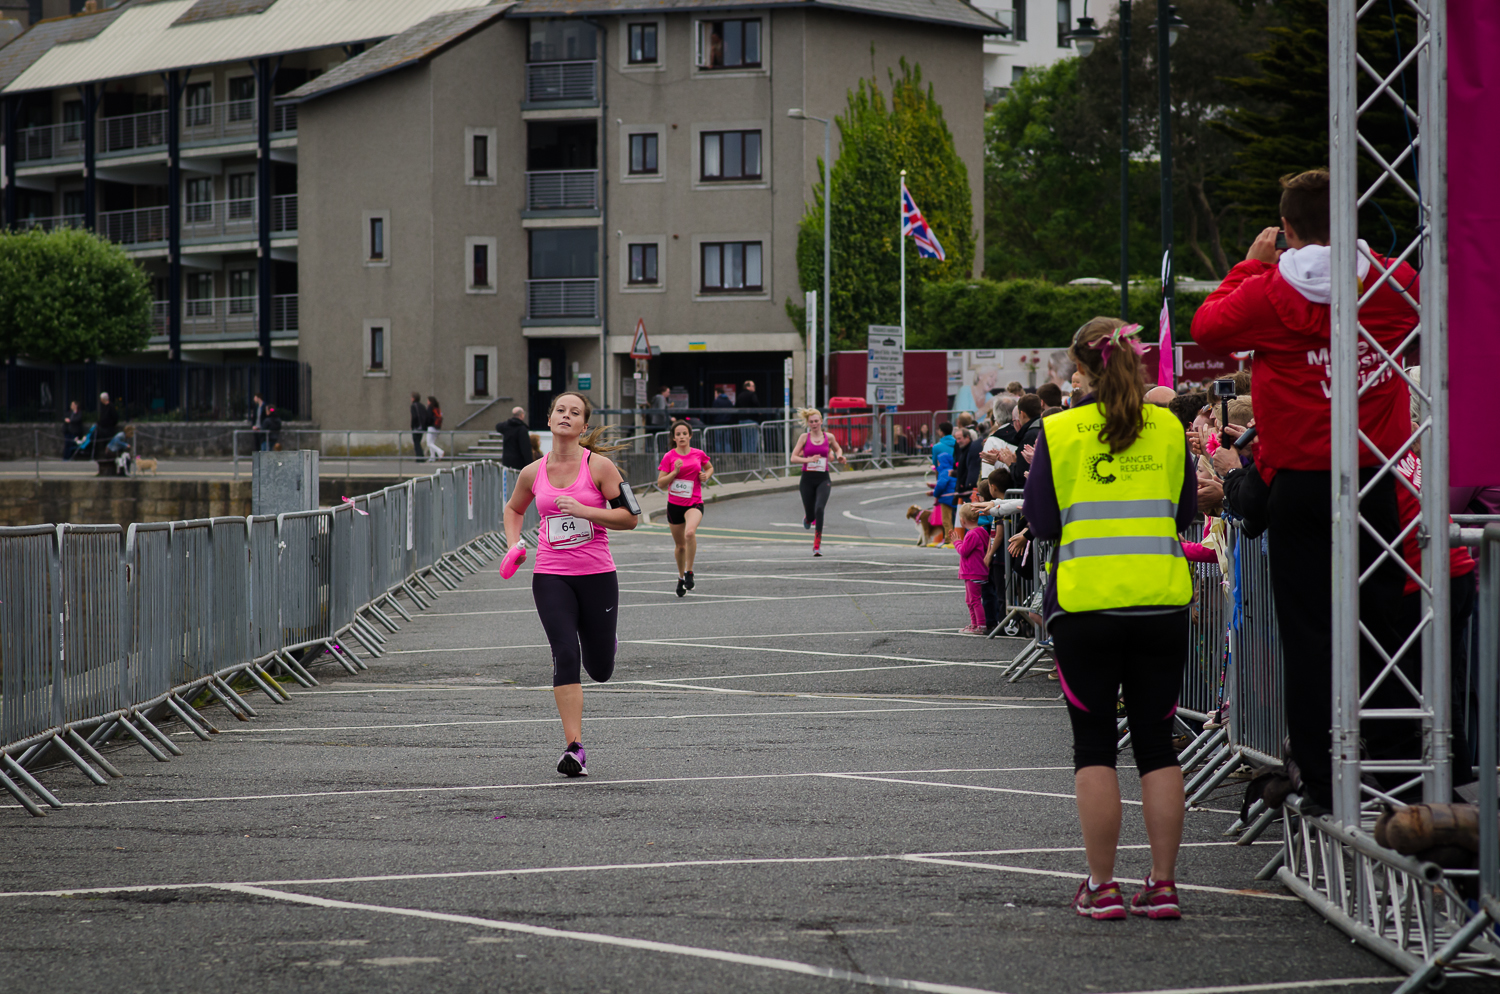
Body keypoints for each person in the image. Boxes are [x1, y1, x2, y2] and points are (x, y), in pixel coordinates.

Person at [1192, 168, 1418, 814]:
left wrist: (1249, 266)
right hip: (1374, 482)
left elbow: (1208, 328)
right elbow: (1442, 307)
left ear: (1287, 229)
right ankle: (1397, 770)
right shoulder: (1392, 283)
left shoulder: (1267, 290)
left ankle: (1320, 782)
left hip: (1296, 487)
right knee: (1387, 630)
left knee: (1308, 638)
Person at [1023, 317, 1197, 921]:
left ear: (1082, 369)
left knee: (1093, 745)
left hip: (1086, 604)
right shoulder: (1170, 427)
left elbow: (1043, 524)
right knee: (1156, 743)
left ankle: (1102, 887)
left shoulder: (1060, 429)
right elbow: (1181, 513)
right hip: (1160, 601)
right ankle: (1165, 883)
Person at [501, 391, 639, 777]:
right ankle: (574, 747)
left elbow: (630, 517)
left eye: (574, 412)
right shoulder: (533, 471)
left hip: (597, 575)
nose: (566, 415)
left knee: (600, 669)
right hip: (550, 574)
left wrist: (586, 511)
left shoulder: (601, 467)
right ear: (549, 421)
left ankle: (604, 642)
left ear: (583, 426)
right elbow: (514, 509)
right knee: (565, 654)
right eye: (560, 410)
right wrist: (514, 544)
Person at [657, 419, 714, 597]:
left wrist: (706, 476)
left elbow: (710, 467)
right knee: (680, 546)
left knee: (690, 533)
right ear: (674, 438)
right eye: (678, 434)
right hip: (674, 505)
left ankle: (689, 572)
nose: (681, 437)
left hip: (694, 502)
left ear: (690, 436)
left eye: (684, 433)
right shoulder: (669, 457)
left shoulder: (698, 454)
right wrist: (674, 472)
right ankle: (681, 577)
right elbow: (660, 483)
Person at [791, 407, 845, 556]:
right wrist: (808, 459)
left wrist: (839, 456)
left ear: (821, 421)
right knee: (811, 514)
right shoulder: (804, 437)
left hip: (823, 479)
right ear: (808, 423)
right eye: (811, 422)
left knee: (820, 509)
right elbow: (793, 458)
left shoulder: (829, 437)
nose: (814, 424)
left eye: (816, 421)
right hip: (807, 479)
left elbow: (838, 449)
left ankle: (816, 545)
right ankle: (808, 518)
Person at [954, 503, 991, 634]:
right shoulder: (982, 531)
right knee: (970, 600)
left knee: (974, 600)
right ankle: (974, 624)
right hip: (978, 572)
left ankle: (980, 625)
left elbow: (964, 551)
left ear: (962, 520)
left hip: (973, 572)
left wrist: (957, 542)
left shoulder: (971, 534)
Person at [735, 379, 763, 453]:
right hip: (751, 420)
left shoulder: (740, 395)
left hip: (742, 420)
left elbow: (736, 406)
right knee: (752, 439)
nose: (754, 388)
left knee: (744, 439)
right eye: (753, 386)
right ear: (748, 387)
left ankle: (745, 454)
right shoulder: (752, 395)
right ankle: (752, 454)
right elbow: (756, 404)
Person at [94, 392, 119, 461]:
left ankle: (109, 457)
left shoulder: (110, 407)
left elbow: (115, 417)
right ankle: (105, 456)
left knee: (109, 443)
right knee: (103, 443)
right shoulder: (104, 407)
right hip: (103, 428)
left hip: (109, 429)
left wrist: (111, 424)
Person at [409, 392, 429, 461]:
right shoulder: (422, 406)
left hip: (416, 427)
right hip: (422, 427)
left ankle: (419, 457)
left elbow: (414, 417)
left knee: (416, 442)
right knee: (418, 442)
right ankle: (421, 456)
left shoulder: (413, 406)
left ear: (413, 398)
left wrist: (412, 426)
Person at [425, 396, 445, 461]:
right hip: (437, 428)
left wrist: (426, 424)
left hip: (431, 427)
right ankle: (432, 457)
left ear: (430, 401)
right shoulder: (437, 408)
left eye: (428, 401)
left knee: (429, 443)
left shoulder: (430, 408)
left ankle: (440, 452)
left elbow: (428, 418)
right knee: (432, 442)